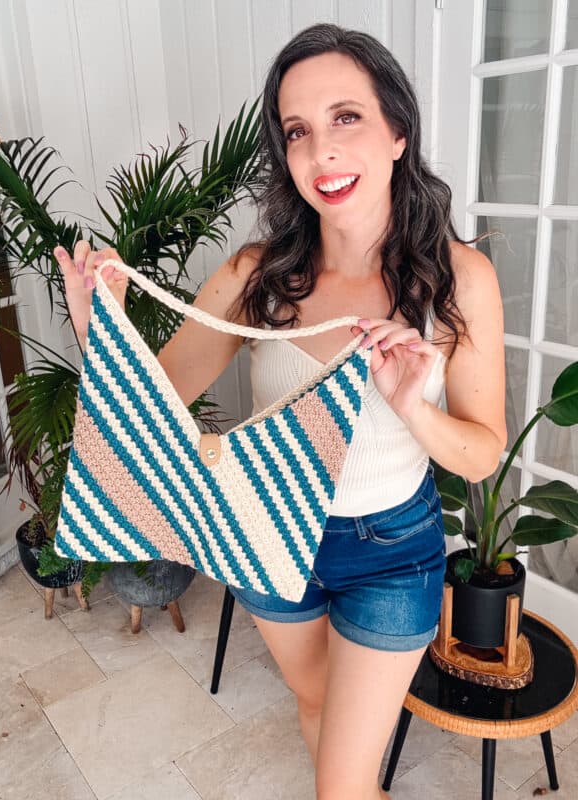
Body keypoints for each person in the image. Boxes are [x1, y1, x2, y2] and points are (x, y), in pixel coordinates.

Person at [55, 23, 506, 800]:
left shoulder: (459, 280)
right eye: (297, 131)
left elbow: (482, 453)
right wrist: (107, 335)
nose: (320, 152)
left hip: (391, 551)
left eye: (346, 118)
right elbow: (153, 410)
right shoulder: (254, 276)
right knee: (315, 703)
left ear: (399, 131)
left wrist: (413, 410)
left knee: (340, 784)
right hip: (262, 533)